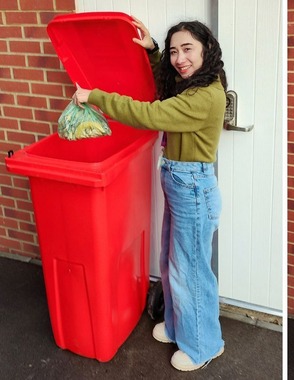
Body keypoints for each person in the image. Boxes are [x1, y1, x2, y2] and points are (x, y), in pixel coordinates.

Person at [73, 16, 227, 372]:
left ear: (207, 49)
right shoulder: (193, 84)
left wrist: (94, 96)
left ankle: (204, 346)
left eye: (187, 48)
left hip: (193, 187)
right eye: (175, 51)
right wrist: (156, 52)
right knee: (172, 263)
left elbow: (149, 113)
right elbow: (170, 84)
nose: (179, 58)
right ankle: (178, 328)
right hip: (180, 182)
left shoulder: (206, 95)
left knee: (190, 271)